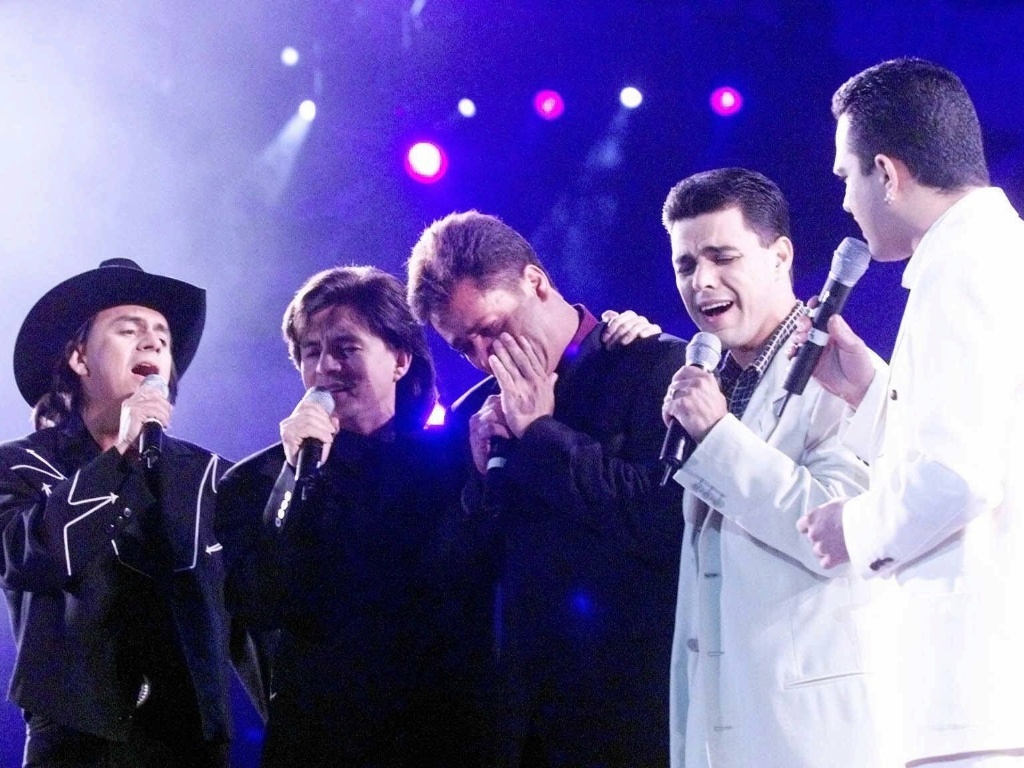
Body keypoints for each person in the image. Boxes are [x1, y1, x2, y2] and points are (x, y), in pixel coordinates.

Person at [796, 58, 1024, 767]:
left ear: (887, 175)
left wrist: (853, 527)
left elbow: (959, 473)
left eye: (845, 178)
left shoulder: (966, 268)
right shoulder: (987, 255)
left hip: (975, 704)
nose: (843, 203)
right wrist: (872, 395)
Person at [407, 210, 687, 767]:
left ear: (535, 282)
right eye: (464, 346)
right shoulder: (470, 417)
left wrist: (540, 432)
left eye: (490, 328)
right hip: (522, 728)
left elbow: (659, 527)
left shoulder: (656, 366)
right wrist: (480, 487)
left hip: (640, 715)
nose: (484, 355)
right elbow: (446, 586)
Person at [214, 265, 494, 767]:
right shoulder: (254, 483)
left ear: (400, 359)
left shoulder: (453, 458)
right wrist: (296, 480)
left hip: (447, 738)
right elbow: (257, 602)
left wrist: (615, 334)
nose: (325, 368)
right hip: (320, 745)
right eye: (310, 352)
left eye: (345, 349)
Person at [0, 259, 265, 767]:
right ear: (79, 357)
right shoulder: (22, 465)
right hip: (79, 747)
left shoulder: (212, 478)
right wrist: (117, 458)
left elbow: (256, 616)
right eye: (130, 330)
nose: (154, 343)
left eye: (163, 335)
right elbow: (27, 559)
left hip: (192, 747)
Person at [658, 168, 876, 767]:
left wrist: (718, 436)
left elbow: (840, 530)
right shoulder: (718, 379)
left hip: (809, 732)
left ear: (779, 256)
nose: (702, 281)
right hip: (722, 726)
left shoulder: (838, 367)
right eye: (685, 265)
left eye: (721, 256)